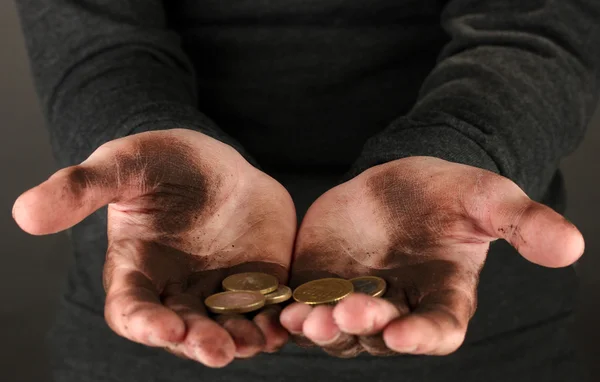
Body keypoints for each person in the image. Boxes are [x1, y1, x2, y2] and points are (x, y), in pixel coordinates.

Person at [12, 0, 599, 381]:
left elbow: (539, 25)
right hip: (157, 294)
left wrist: (458, 149)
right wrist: (138, 138)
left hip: (474, 309)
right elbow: (94, 40)